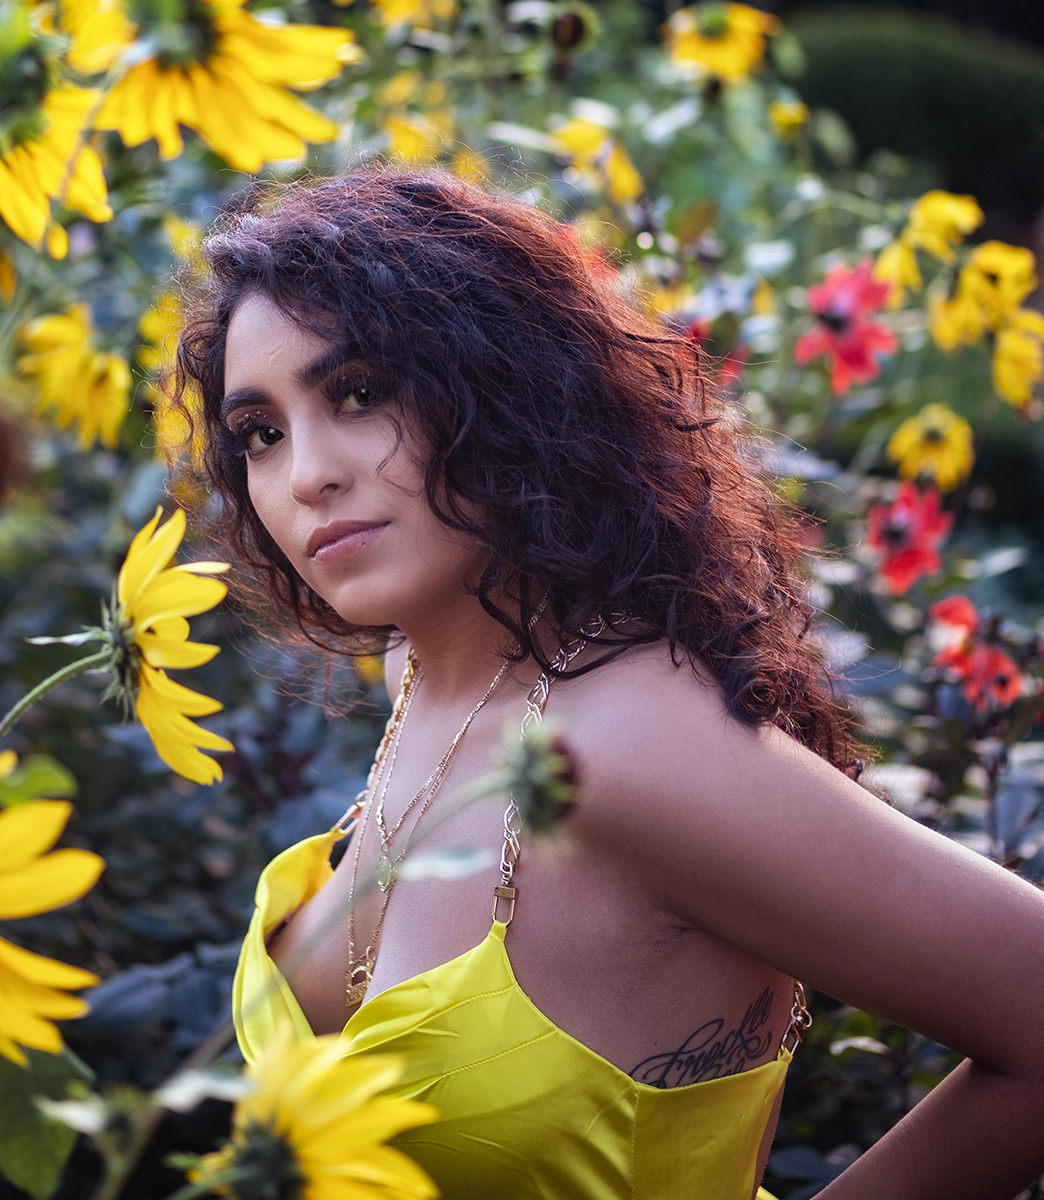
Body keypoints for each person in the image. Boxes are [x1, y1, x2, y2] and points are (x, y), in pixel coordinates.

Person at [173, 169, 1044, 1200]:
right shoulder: (429, 674)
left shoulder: (627, 736)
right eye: (259, 433)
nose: (305, 472)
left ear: (496, 382)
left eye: (359, 391)